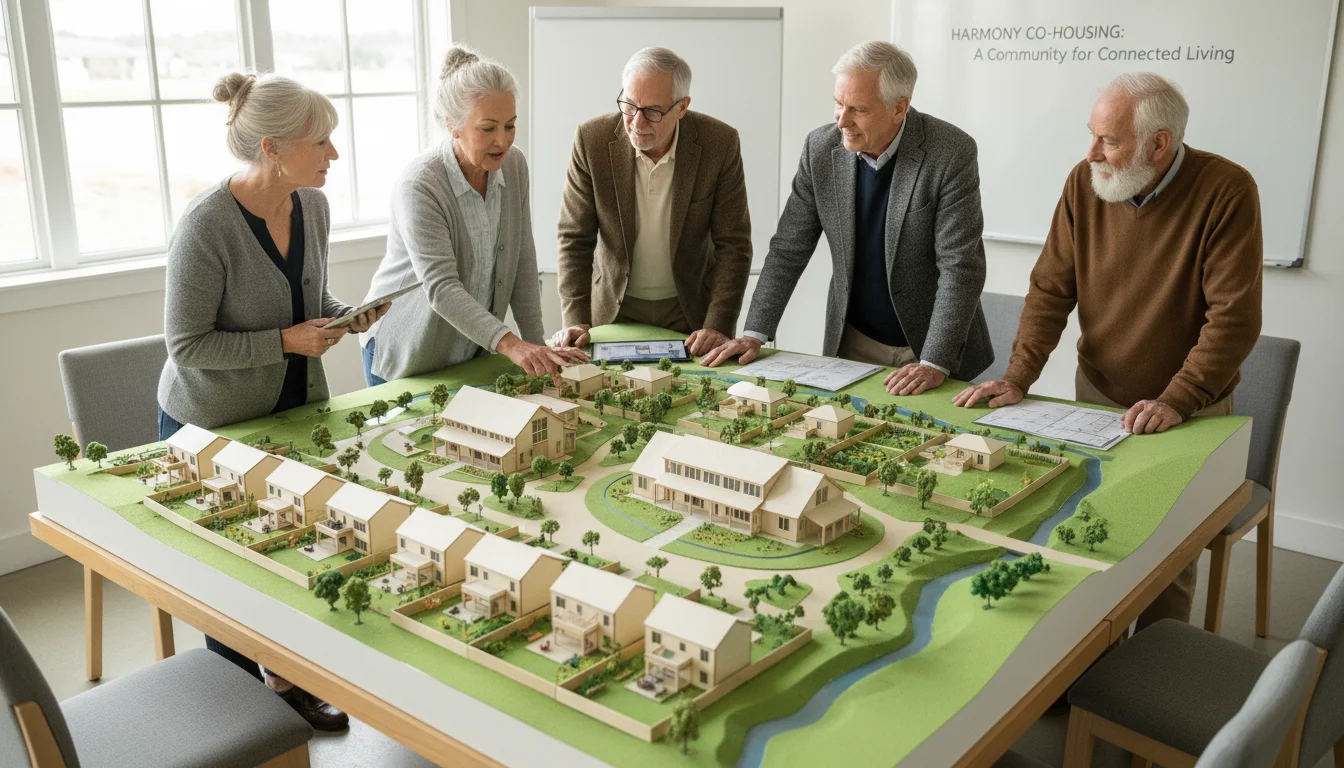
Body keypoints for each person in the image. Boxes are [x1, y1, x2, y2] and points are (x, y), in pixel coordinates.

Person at [954, 73, 1263, 626]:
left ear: (1159, 143)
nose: (1092, 152)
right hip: (1097, 391)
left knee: (1166, 550)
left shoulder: (1227, 190)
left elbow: (1234, 319)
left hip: (1189, 409)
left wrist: (1179, 398)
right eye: (1093, 135)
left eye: (1109, 141)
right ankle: (1080, 658)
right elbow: (1051, 288)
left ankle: (1149, 677)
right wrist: (1019, 374)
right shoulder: (1084, 182)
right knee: (1086, 526)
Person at [156, 72, 383, 731]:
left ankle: (286, 678)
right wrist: (287, 340)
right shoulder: (205, 227)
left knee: (294, 556)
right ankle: (246, 711)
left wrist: (344, 318)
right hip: (208, 426)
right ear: (275, 149)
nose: (334, 154)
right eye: (323, 142)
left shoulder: (313, 206)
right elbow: (188, 345)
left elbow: (307, 297)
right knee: (231, 576)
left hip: (289, 410)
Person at [702, 41, 992, 393]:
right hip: (853, 340)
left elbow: (960, 266)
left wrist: (934, 362)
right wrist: (754, 334)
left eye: (857, 109)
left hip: (929, 346)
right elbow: (788, 250)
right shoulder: (820, 149)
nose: (841, 120)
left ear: (900, 107)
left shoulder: (950, 152)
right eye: (838, 104)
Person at [360, 46, 584, 386]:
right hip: (407, 354)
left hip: (472, 350)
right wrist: (511, 344)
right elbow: (441, 287)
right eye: (488, 128)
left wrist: (538, 347)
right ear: (452, 125)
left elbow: (522, 258)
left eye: (510, 126)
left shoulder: (515, 165)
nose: (502, 141)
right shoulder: (419, 184)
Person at [551, 46, 752, 356]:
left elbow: (734, 245)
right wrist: (576, 320)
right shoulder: (591, 141)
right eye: (629, 105)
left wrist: (718, 324)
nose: (636, 121)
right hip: (614, 307)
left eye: (653, 111)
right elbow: (574, 238)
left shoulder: (719, 144)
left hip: (689, 312)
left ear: (682, 107)